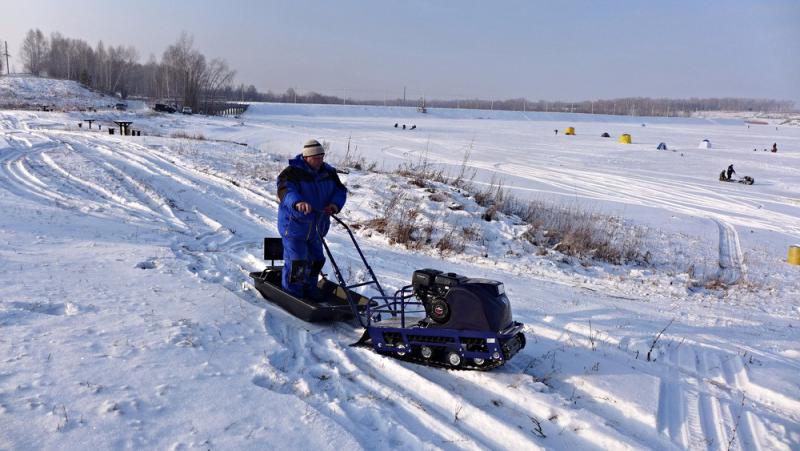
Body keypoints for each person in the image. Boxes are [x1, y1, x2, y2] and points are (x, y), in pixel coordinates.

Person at [277, 139, 347, 300]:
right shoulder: (291, 173)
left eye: (322, 156)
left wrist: (335, 205)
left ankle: (310, 289)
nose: (320, 160)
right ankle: (293, 295)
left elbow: (340, 190)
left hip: (317, 226)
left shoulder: (328, 172)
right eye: (317, 158)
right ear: (307, 157)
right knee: (298, 262)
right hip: (295, 226)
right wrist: (298, 202)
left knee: (316, 260)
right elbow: (286, 192)